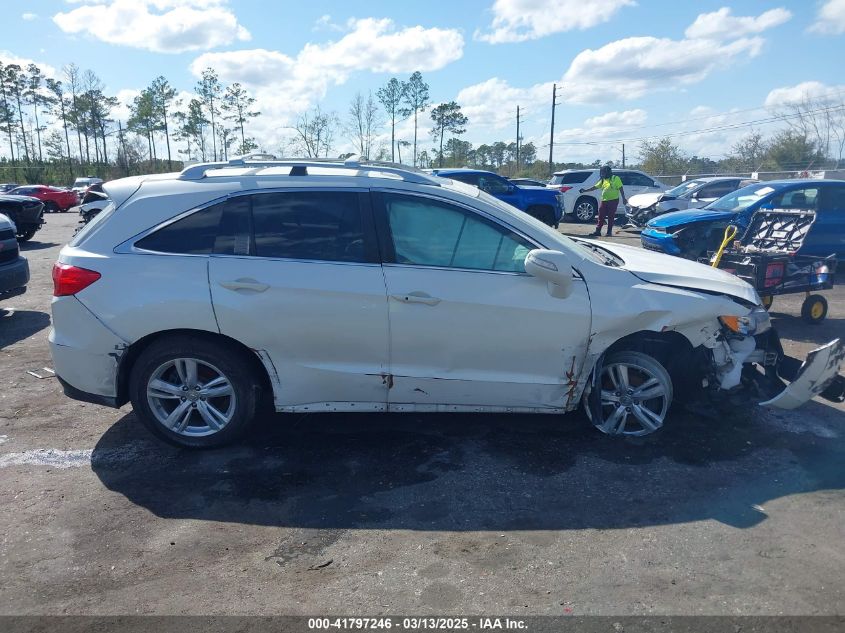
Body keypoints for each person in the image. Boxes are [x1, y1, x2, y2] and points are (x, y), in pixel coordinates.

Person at [579, 165, 627, 237]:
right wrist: (585, 190)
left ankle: (609, 232)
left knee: (611, 216)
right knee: (601, 216)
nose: (602, 174)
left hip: (613, 200)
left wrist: (624, 198)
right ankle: (598, 231)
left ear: (608, 172)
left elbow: (621, 188)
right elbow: (595, 187)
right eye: (601, 173)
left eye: (603, 173)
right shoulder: (603, 180)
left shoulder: (615, 178)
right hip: (604, 200)